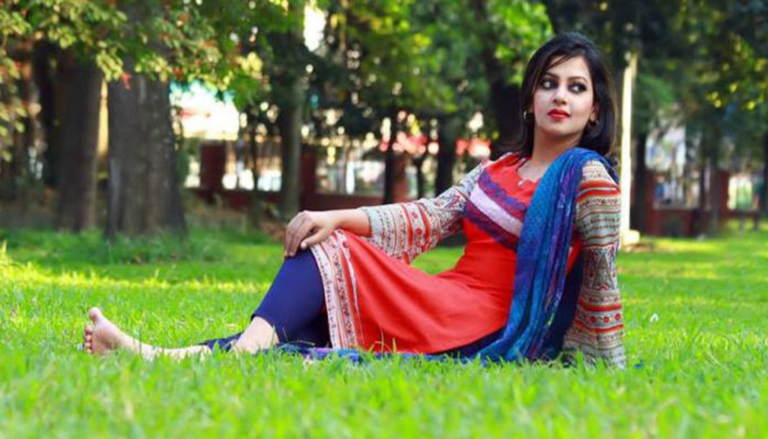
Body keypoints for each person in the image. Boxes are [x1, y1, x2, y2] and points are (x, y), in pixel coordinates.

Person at [83, 32, 626, 367]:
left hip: (487, 323)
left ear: (595, 110)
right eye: (549, 83)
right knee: (301, 321)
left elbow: (602, 271)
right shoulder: (496, 170)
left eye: (576, 88)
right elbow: (430, 216)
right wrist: (339, 215)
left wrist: (601, 356)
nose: (560, 96)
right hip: (444, 296)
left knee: (327, 255)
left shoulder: (586, 178)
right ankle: (155, 355)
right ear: (530, 98)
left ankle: (211, 357)